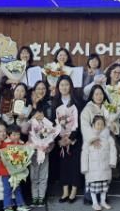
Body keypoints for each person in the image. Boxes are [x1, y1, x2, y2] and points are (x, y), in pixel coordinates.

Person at [51, 75, 82, 204]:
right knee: (63, 166)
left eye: (67, 84)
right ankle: (65, 191)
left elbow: (79, 121)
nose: (64, 87)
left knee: (74, 165)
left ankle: (73, 191)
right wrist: (59, 138)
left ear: (71, 86)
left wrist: (71, 137)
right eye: (62, 85)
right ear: (58, 87)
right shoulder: (55, 102)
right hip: (61, 140)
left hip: (75, 139)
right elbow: (52, 122)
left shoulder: (77, 101)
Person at [81, 115, 117, 211]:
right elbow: (84, 153)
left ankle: (103, 201)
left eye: (102, 124)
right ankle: (95, 203)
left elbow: (113, 150)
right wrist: (84, 167)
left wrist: (112, 162)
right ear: (93, 125)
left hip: (105, 167)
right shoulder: (89, 137)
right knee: (93, 187)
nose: (100, 126)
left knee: (104, 187)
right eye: (98, 124)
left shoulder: (108, 137)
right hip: (92, 168)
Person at [26, 107, 57, 207]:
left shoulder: (48, 125)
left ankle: (41, 198)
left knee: (44, 175)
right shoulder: (30, 125)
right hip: (33, 153)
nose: (39, 115)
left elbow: (52, 141)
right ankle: (35, 197)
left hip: (44, 153)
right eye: (37, 114)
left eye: (41, 113)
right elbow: (23, 130)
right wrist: (34, 146)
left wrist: (46, 148)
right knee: (33, 176)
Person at [0, 125, 28, 211]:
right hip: (5, 172)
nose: (16, 136)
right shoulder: (3, 144)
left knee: (17, 188)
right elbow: (0, 156)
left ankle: (20, 205)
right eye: (14, 135)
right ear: (8, 135)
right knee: (7, 189)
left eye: (18, 134)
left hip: (16, 172)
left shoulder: (21, 144)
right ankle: (7, 206)